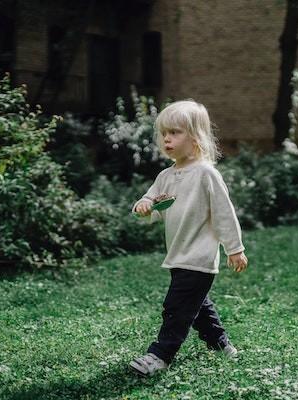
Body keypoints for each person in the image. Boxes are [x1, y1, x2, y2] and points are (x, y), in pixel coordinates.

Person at [129, 100, 248, 377]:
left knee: (177, 307)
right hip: (178, 254)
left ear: (196, 138)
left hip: (200, 255)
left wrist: (234, 248)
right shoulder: (166, 176)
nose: (167, 138)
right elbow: (152, 202)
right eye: (164, 133)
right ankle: (221, 345)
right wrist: (143, 206)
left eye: (175, 132)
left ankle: (160, 355)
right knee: (199, 306)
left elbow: (224, 214)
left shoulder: (207, 174)